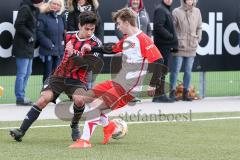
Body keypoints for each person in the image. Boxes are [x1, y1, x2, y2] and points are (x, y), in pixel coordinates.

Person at [69, 8, 166, 148]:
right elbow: (112, 48)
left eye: (119, 23)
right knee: (86, 97)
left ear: (127, 22)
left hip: (128, 87)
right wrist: (92, 48)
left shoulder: (143, 39)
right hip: (117, 82)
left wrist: (153, 83)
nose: (118, 27)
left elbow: (158, 61)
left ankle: (84, 141)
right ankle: (109, 126)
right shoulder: (127, 39)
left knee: (96, 108)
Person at [9, 11, 103, 142]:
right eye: (87, 28)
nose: (89, 32)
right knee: (43, 99)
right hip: (59, 76)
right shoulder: (69, 35)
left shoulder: (96, 43)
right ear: (79, 25)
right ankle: (21, 130)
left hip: (77, 80)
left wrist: (73, 54)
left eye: (92, 29)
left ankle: (74, 125)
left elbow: (89, 65)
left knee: (80, 100)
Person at [12, 0, 44, 106]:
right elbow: (18, 24)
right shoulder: (25, 8)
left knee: (28, 72)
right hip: (22, 46)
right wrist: (29, 36)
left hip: (29, 47)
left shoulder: (34, 10)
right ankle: (20, 97)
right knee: (22, 73)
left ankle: (22, 96)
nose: (43, 2)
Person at [169, 0, 202, 101]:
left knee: (188, 71)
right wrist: (176, 41)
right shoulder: (176, 12)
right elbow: (172, 28)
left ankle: (186, 93)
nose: (190, 0)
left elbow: (199, 27)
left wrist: (197, 39)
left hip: (192, 46)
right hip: (179, 46)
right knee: (175, 71)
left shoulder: (197, 11)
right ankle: (172, 92)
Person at [67, 0, 103, 89]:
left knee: (90, 68)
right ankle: (76, 93)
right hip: (77, 45)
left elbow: (99, 29)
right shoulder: (72, 10)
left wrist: (97, 45)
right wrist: (78, 42)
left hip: (92, 45)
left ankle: (88, 91)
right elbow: (70, 28)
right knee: (76, 69)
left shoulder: (94, 9)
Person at [152, 0, 178, 103]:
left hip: (166, 46)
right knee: (161, 70)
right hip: (163, 46)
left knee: (161, 70)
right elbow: (158, 26)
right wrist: (170, 36)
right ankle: (159, 95)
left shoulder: (165, 9)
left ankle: (158, 95)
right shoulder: (160, 10)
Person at [37, 0, 65, 84]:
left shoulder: (60, 17)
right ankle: (45, 94)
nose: (55, 6)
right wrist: (49, 44)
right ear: (49, 4)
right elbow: (39, 32)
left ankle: (53, 96)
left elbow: (62, 34)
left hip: (59, 52)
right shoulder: (42, 16)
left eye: (58, 5)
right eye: (54, 3)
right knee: (48, 74)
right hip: (47, 51)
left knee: (56, 75)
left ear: (61, 7)